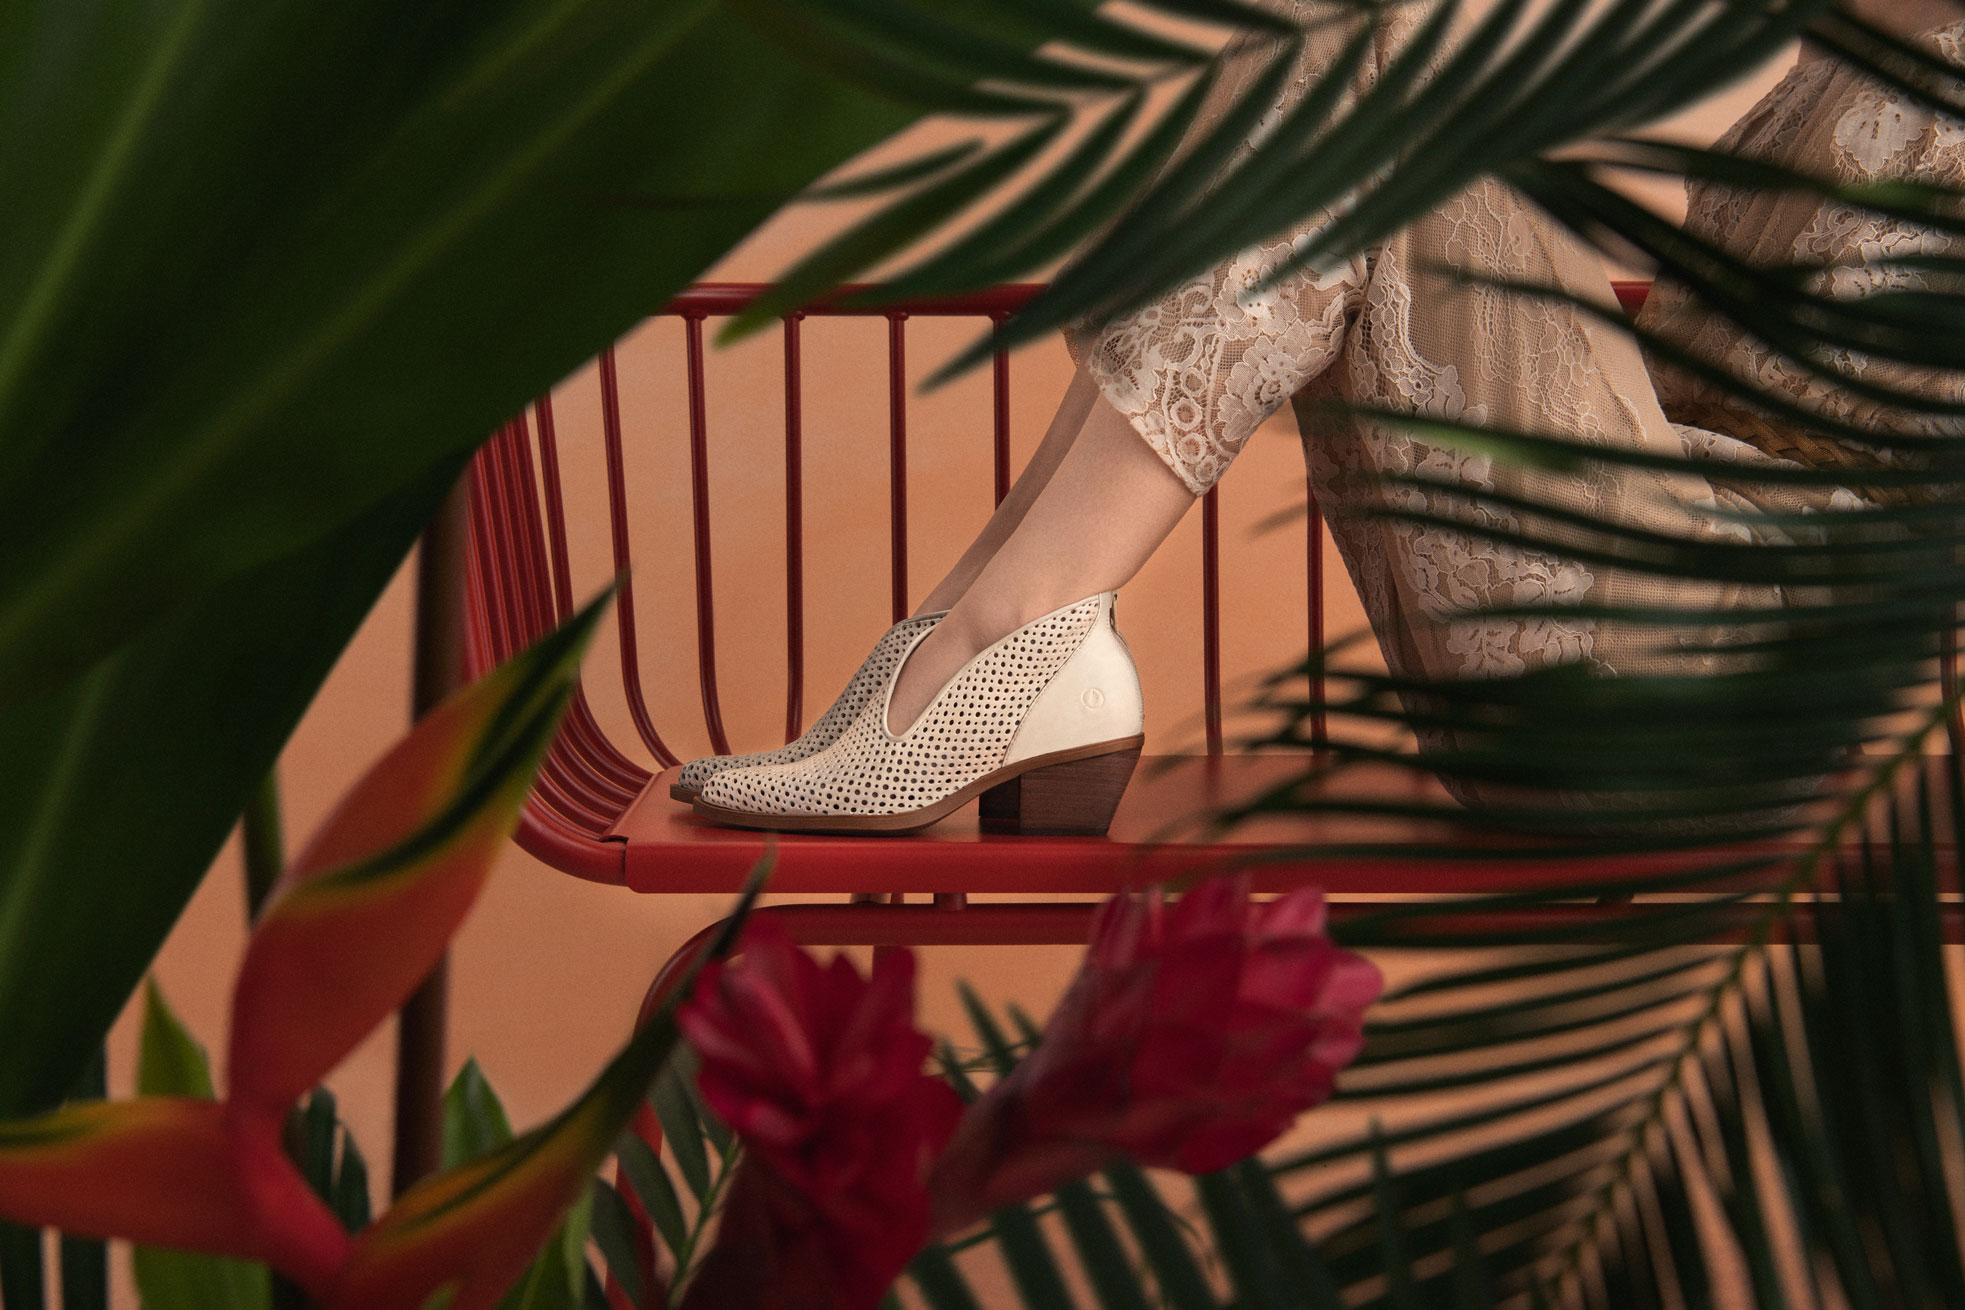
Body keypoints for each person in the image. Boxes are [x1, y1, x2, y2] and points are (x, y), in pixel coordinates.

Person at [677, 0, 1965, 835]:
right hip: (1630, 589)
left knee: (1376, 41)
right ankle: (990, 625)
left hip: (1726, 699)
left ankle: (1003, 644)